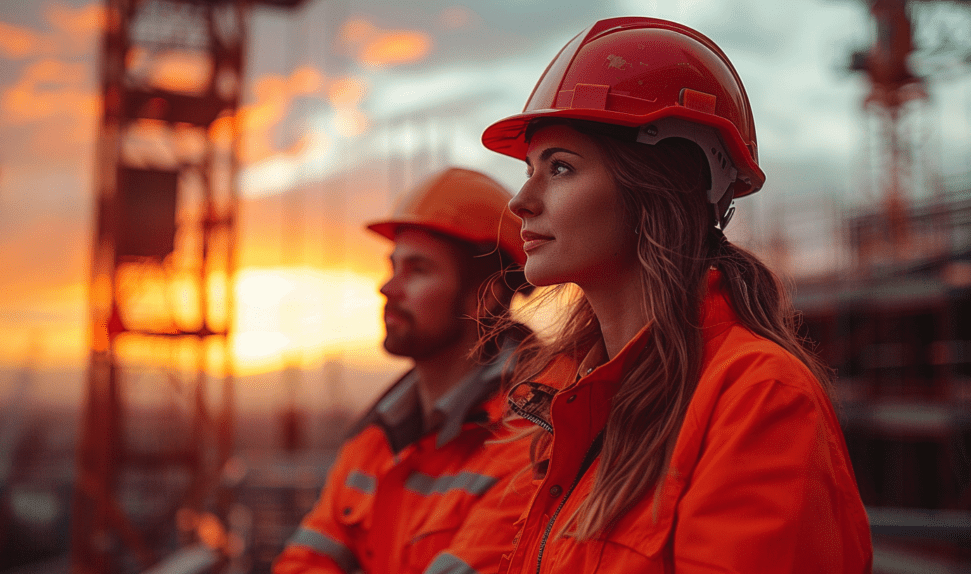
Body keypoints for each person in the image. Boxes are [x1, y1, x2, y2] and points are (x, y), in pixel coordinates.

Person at [478, 17, 873, 573]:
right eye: (529, 170)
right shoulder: (580, 399)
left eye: (560, 167)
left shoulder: (760, 401)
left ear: (655, 190)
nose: (521, 200)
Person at [273, 167, 534, 574]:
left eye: (418, 270)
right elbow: (302, 564)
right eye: (393, 266)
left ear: (486, 295)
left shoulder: (530, 436)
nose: (388, 288)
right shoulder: (376, 439)